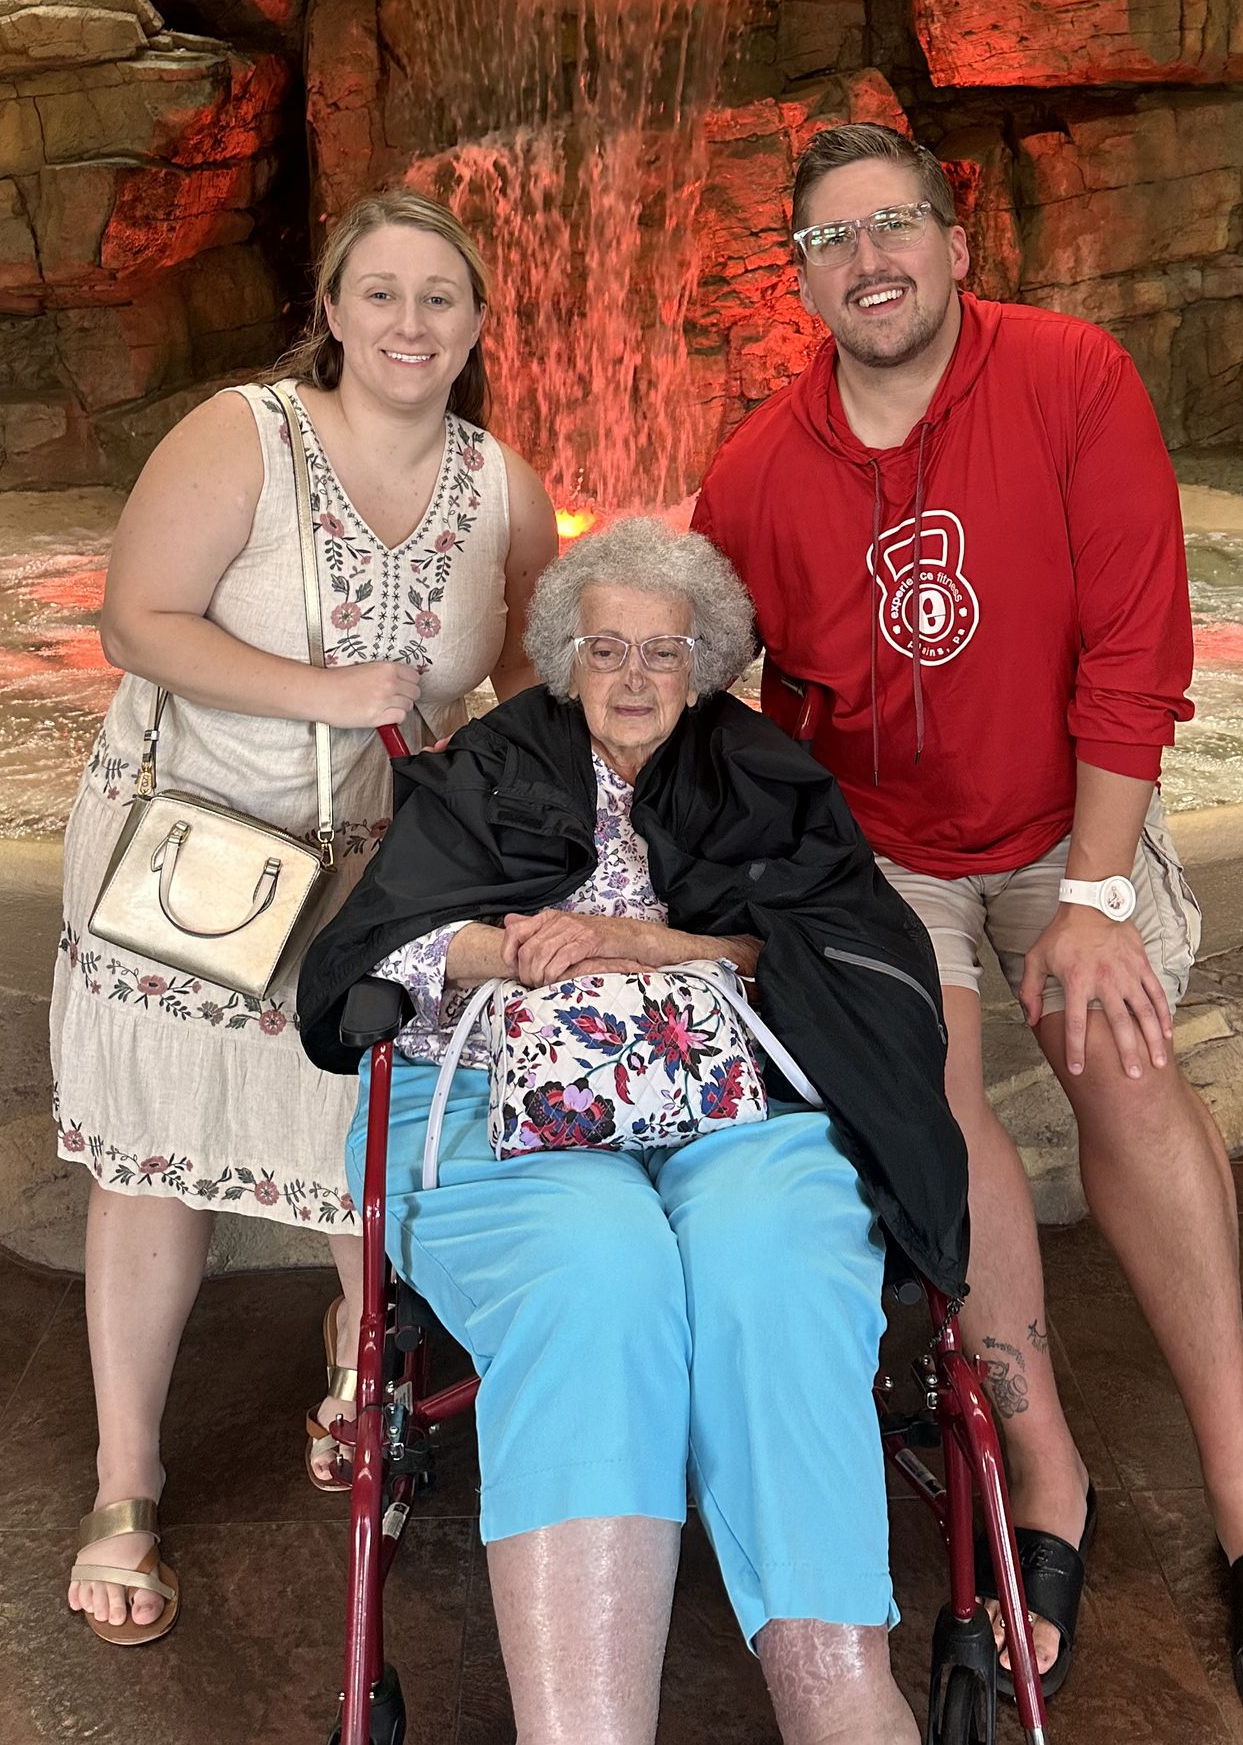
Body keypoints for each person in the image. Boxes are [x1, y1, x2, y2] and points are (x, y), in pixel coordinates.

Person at [691, 119, 1243, 1699]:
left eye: (892, 225)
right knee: (930, 1095)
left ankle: (1233, 1476)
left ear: (950, 238)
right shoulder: (757, 467)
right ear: (800, 281)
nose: (866, 260)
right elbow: (668, 663)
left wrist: (1092, 894)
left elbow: (1134, 645)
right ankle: (1043, 1463)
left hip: (1067, 813)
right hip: (880, 855)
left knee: (1116, 1049)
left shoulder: (1069, 377)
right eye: (829, 241)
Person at [297, 516, 970, 1745]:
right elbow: (368, 957)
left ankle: (835, 1686)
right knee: (596, 1275)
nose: (634, 676)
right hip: (496, 1102)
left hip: (731, 1097)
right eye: (606, 647)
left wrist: (654, 943)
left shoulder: (765, 772)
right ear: (566, 655)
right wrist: (509, 947)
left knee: (780, 1264)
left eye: (665, 651)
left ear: (703, 664)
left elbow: (853, 955)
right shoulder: (488, 766)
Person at [52, 188, 557, 1644]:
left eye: (441, 297)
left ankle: (361, 1359)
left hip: (373, 870)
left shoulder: (503, 485)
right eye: (380, 293)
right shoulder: (244, 434)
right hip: (192, 856)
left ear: (477, 322)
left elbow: (525, 684)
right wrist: (327, 691)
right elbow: (137, 621)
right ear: (331, 310)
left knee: (360, 1132)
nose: (411, 322)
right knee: (155, 1155)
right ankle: (126, 1482)